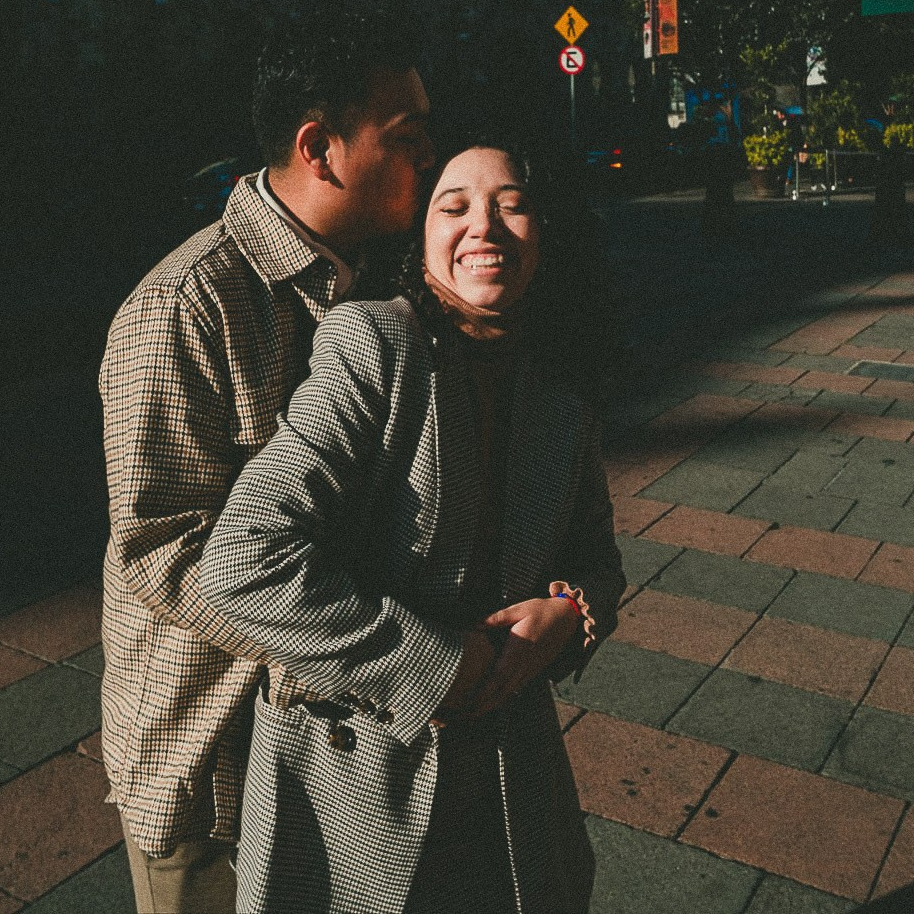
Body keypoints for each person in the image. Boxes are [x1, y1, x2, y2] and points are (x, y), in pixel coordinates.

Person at [199, 140, 627, 914]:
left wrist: (571, 614)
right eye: (453, 207)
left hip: (511, 774)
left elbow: (596, 554)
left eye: (512, 204)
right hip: (355, 778)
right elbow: (242, 561)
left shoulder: (563, 375)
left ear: (547, 230)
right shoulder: (376, 343)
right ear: (419, 238)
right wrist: (436, 666)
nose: (484, 227)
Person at [99, 3, 435, 914]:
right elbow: (161, 552)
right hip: (212, 759)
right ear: (320, 148)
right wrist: (385, 653)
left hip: (337, 751)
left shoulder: (377, 280)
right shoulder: (185, 305)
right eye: (406, 138)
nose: (427, 159)